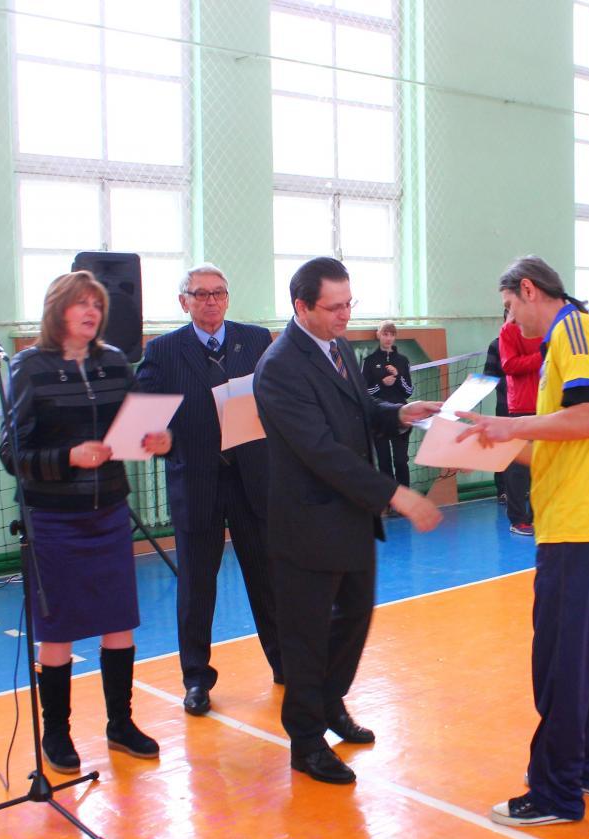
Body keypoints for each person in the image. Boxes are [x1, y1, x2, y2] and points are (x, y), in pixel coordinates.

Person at [254, 257, 443, 785]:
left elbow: (357, 413)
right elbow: (321, 451)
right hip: (309, 522)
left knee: (355, 616)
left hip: (350, 517)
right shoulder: (280, 367)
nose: (345, 315)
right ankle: (306, 742)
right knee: (307, 635)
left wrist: (397, 414)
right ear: (301, 306)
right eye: (334, 307)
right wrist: (396, 494)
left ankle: (330, 702)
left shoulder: (336, 347)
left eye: (348, 304)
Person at [455, 256, 589, 827]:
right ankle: (586, 768)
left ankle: (555, 793)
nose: (510, 321)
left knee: (560, 661)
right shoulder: (583, 335)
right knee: (586, 658)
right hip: (588, 519)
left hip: (577, 523)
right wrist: (490, 440)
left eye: (509, 307)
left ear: (528, 290)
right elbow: (567, 440)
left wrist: (514, 424)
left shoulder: (573, 334)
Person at [0, 270, 167, 773]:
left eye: (97, 304)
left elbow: (136, 428)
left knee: (119, 624)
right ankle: (57, 734)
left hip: (109, 513)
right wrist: (69, 457)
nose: (92, 312)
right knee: (58, 631)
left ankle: (121, 724)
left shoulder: (114, 362)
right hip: (53, 519)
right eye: (81, 304)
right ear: (58, 310)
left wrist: (159, 441)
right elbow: (12, 453)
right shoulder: (29, 368)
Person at [135, 263, 282, 717]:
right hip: (197, 482)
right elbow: (143, 421)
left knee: (268, 580)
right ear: (184, 302)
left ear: (228, 297)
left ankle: (285, 663)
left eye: (218, 292)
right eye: (200, 294)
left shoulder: (256, 340)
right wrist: (158, 439)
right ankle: (196, 679)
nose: (211, 301)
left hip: (252, 481)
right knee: (196, 588)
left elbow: (278, 398)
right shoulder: (162, 351)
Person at [499, 298, 542, 535]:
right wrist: (542, 356)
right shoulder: (508, 331)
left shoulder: (545, 328)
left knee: (542, 464)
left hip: (546, 404)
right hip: (521, 406)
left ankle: (539, 515)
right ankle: (518, 519)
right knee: (518, 468)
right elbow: (509, 365)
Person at [361, 320, 414, 488]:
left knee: (400, 460)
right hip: (378, 417)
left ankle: (405, 496)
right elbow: (363, 391)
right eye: (385, 334)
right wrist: (381, 384)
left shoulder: (403, 361)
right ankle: (390, 498)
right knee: (384, 461)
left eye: (392, 334)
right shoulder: (369, 361)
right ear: (378, 335)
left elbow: (408, 391)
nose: (388, 338)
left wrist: (398, 377)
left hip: (400, 415)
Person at [481, 309, 511, 503]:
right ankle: (502, 490)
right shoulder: (496, 345)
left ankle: (525, 489)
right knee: (502, 448)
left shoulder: (531, 344)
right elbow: (488, 377)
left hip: (527, 409)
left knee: (524, 447)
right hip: (504, 406)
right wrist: (510, 385)